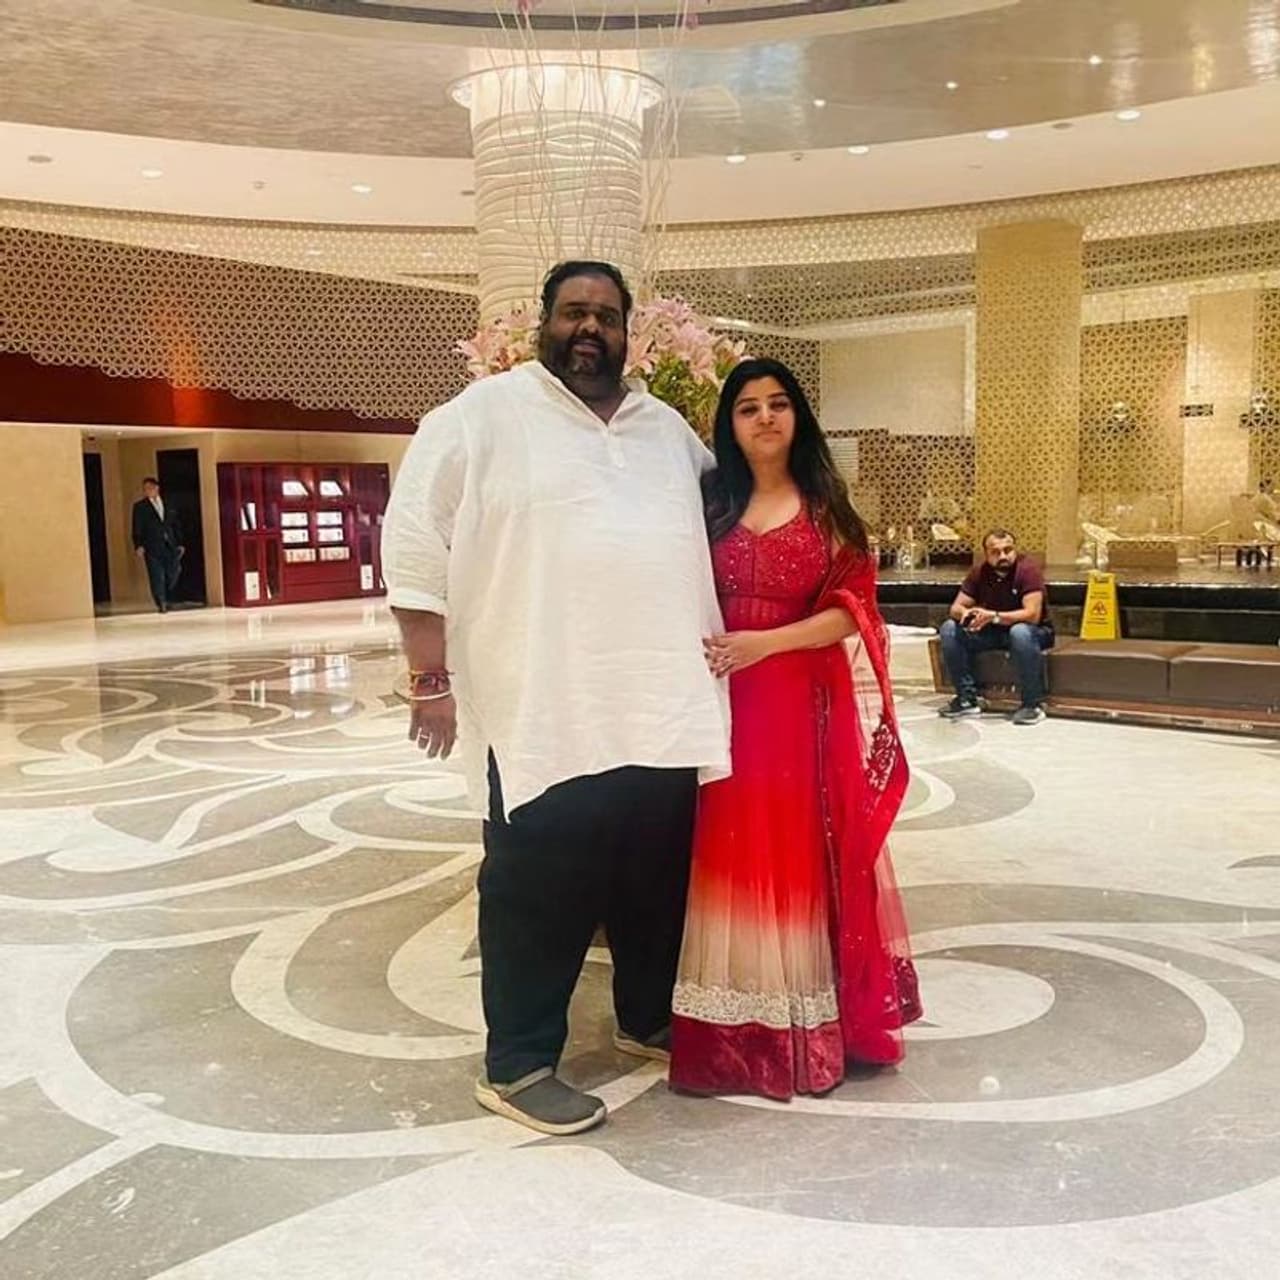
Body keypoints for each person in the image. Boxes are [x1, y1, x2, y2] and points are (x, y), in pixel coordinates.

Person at [381, 261, 730, 1136]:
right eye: (574, 312)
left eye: (606, 317)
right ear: (543, 322)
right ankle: (519, 1063)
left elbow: (729, 523)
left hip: (660, 703)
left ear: (628, 335)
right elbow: (415, 541)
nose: (590, 329)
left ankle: (646, 1018)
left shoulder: (665, 429)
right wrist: (429, 679)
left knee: (654, 882)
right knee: (537, 891)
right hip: (541, 705)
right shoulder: (481, 416)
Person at [669, 358, 921, 1101]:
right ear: (730, 424)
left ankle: (802, 1025)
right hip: (718, 702)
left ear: (798, 416)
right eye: (748, 408)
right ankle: (730, 1031)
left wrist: (764, 645)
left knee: (796, 849)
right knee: (726, 847)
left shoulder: (826, 507)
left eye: (778, 404)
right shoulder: (708, 504)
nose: (765, 418)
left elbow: (854, 611)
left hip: (799, 703)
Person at [938, 528, 1053, 725]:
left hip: (1033, 632)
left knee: (1019, 632)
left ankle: (1032, 704)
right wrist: (966, 614)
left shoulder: (1028, 571)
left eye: (1008, 550)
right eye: (996, 552)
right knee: (949, 628)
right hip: (994, 631)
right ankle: (967, 699)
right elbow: (956, 607)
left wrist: (994, 616)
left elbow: (1032, 615)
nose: (1003, 556)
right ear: (986, 554)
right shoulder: (980, 572)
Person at [131, 476, 184, 613]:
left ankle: (167, 596)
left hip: (169, 544)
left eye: (149, 488)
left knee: (174, 570)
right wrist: (138, 545)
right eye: (145, 489)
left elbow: (176, 524)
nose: (146, 491)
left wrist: (180, 543)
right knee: (156, 575)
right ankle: (161, 602)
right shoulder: (140, 507)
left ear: (156, 488)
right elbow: (137, 527)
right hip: (151, 546)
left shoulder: (169, 503)